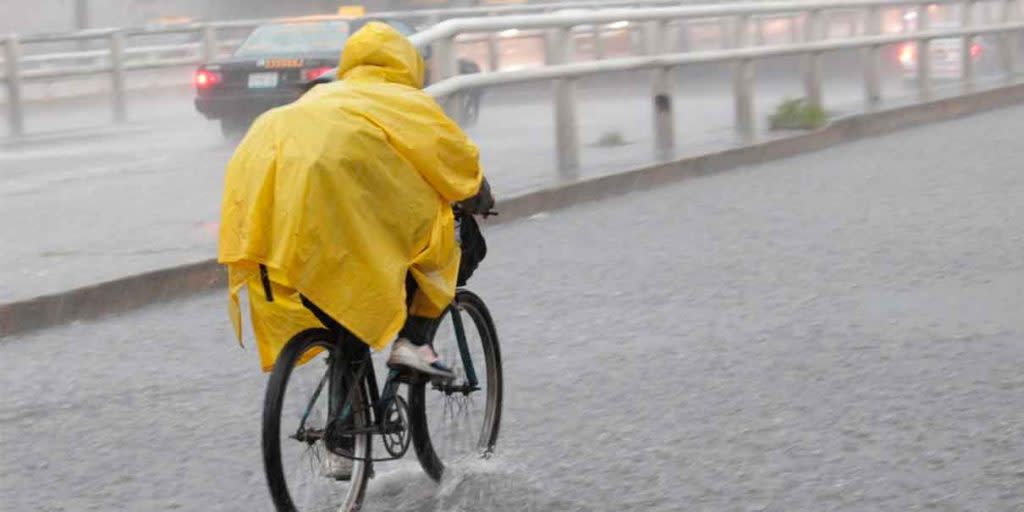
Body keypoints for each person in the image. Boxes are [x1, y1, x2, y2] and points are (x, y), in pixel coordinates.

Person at [218, 21, 493, 385]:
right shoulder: (405, 101)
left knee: (341, 295)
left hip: (282, 223)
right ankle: (414, 340)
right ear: (407, 65)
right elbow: (454, 162)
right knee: (461, 242)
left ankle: (344, 414)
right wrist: (481, 197)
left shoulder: (319, 97)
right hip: (346, 218)